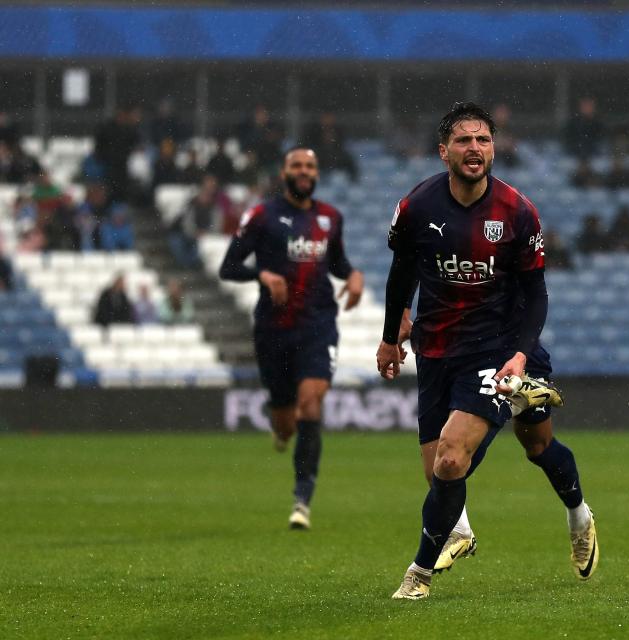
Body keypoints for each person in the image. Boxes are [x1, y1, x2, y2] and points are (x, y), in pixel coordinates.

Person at [376, 102, 598, 601]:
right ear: (444, 151)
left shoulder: (517, 211)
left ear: (493, 148)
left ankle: (420, 573)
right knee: (442, 470)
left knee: (466, 457)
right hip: (437, 347)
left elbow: (536, 294)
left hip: (498, 349)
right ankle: (459, 531)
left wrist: (520, 355)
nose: (474, 148)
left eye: (483, 140)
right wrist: (391, 335)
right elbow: (402, 274)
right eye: (463, 140)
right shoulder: (417, 208)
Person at [219, 147, 364, 530]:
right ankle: (281, 430)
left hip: (318, 325)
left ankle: (302, 500)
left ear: (316, 173)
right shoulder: (261, 215)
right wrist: (262, 275)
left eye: (310, 166)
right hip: (274, 329)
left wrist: (353, 276)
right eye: (296, 166)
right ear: (284, 173)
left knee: (311, 403)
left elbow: (337, 263)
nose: (304, 171)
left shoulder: (330, 217)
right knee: (285, 421)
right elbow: (228, 266)